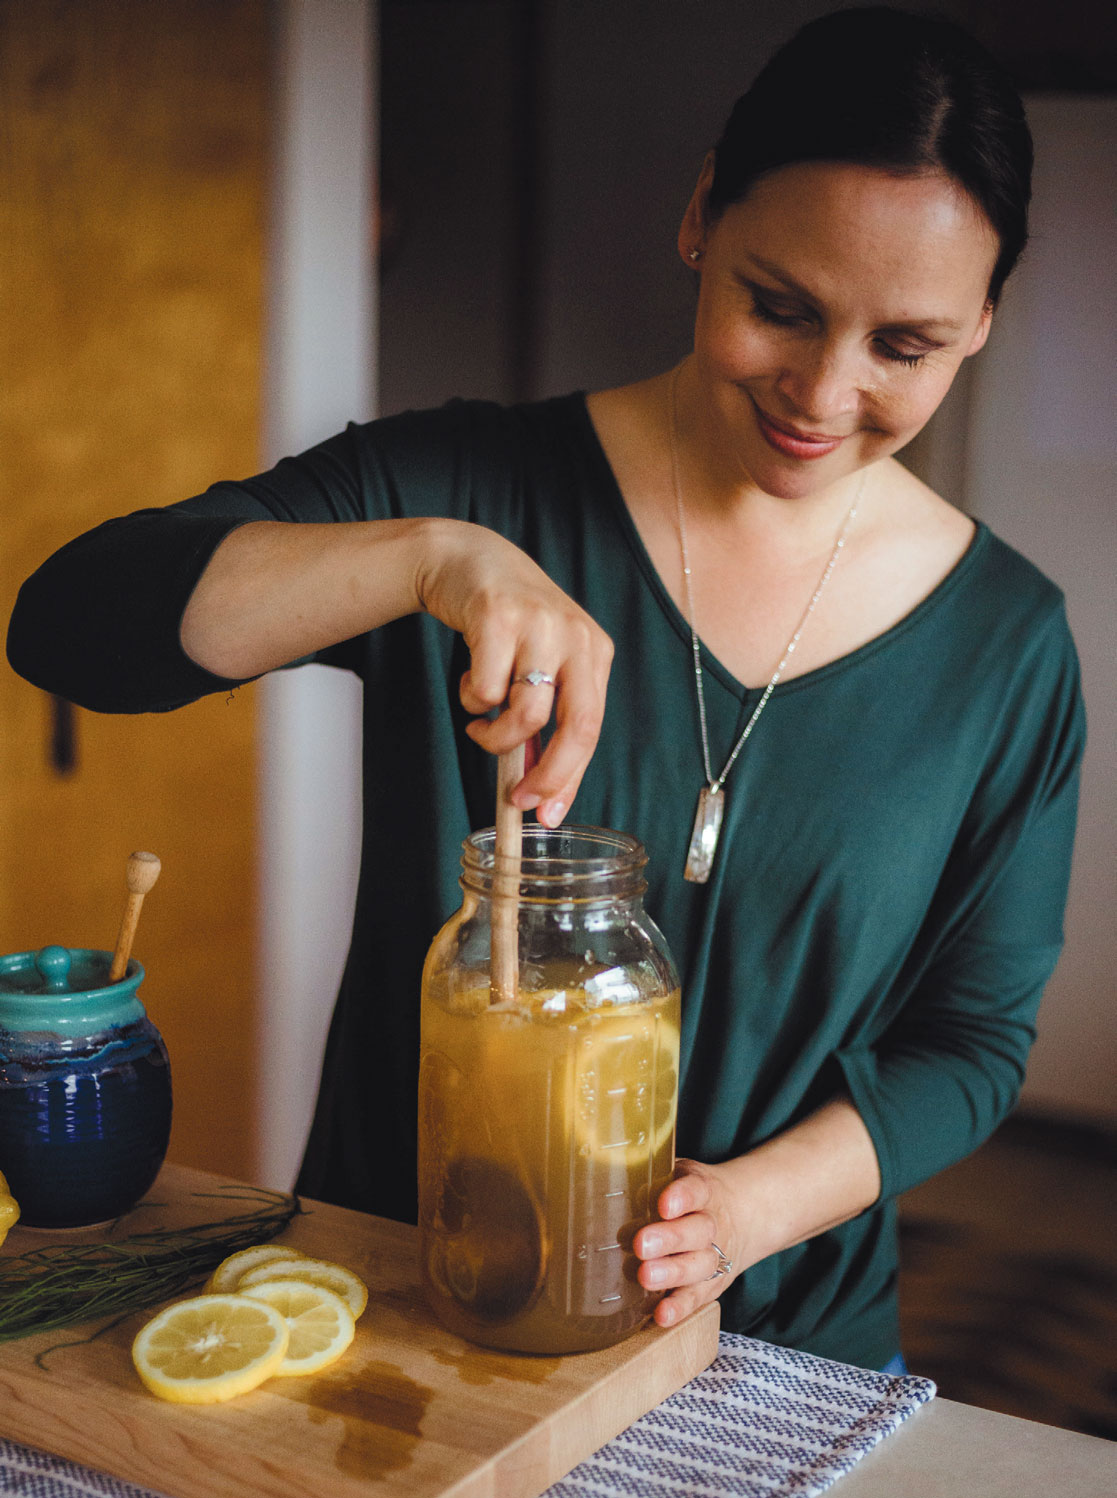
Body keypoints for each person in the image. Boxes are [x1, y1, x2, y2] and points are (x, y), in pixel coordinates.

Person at [7, 6, 1084, 1371]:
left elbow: (972, 1043)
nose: (823, 391)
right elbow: (69, 625)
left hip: (780, 1351)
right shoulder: (469, 491)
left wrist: (746, 1208)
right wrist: (428, 560)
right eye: (780, 305)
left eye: (905, 346)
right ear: (700, 215)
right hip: (395, 1314)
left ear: (983, 321)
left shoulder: (1005, 644)